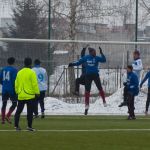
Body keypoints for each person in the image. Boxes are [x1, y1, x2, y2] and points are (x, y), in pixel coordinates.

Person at [69, 47, 107, 115]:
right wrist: (72, 64)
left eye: (96, 52)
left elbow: (104, 60)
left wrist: (101, 53)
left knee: (100, 88)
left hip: (95, 75)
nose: (95, 53)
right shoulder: (86, 57)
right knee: (87, 91)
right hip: (88, 76)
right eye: (94, 52)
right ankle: (86, 107)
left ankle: (104, 101)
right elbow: (78, 62)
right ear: (90, 53)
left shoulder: (97, 58)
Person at [14, 58, 40, 131]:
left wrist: (17, 92)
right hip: (30, 95)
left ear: (24, 63)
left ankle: (16, 126)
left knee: (18, 111)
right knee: (30, 112)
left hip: (21, 95)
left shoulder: (19, 72)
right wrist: (37, 92)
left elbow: (16, 83)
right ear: (30, 64)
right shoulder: (32, 72)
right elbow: (34, 84)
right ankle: (29, 126)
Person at [0, 57, 17, 124]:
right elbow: (14, 80)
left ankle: (3, 120)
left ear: (7, 62)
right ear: (14, 62)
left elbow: (0, 79)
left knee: (4, 104)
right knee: (14, 103)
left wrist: (4, 84)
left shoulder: (3, 69)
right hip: (12, 89)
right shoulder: (14, 70)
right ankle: (8, 115)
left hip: (4, 89)